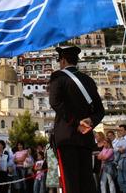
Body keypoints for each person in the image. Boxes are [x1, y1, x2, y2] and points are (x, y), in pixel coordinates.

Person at [49, 46, 105, 193]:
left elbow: (55, 102)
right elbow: (100, 111)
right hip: (86, 138)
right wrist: (89, 122)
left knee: (70, 181)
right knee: (86, 181)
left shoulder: (58, 77)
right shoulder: (88, 80)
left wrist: (76, 123)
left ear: (63, 60)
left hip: (67, 137)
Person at [114, 124, 126, 193]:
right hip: (120, 160)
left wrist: (118, 148)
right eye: (119, 130)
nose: (120, 132)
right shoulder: (120, 139)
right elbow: (114, 148)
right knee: (120, 180)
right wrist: (118, 148)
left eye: (121, 130)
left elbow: (122, 150)